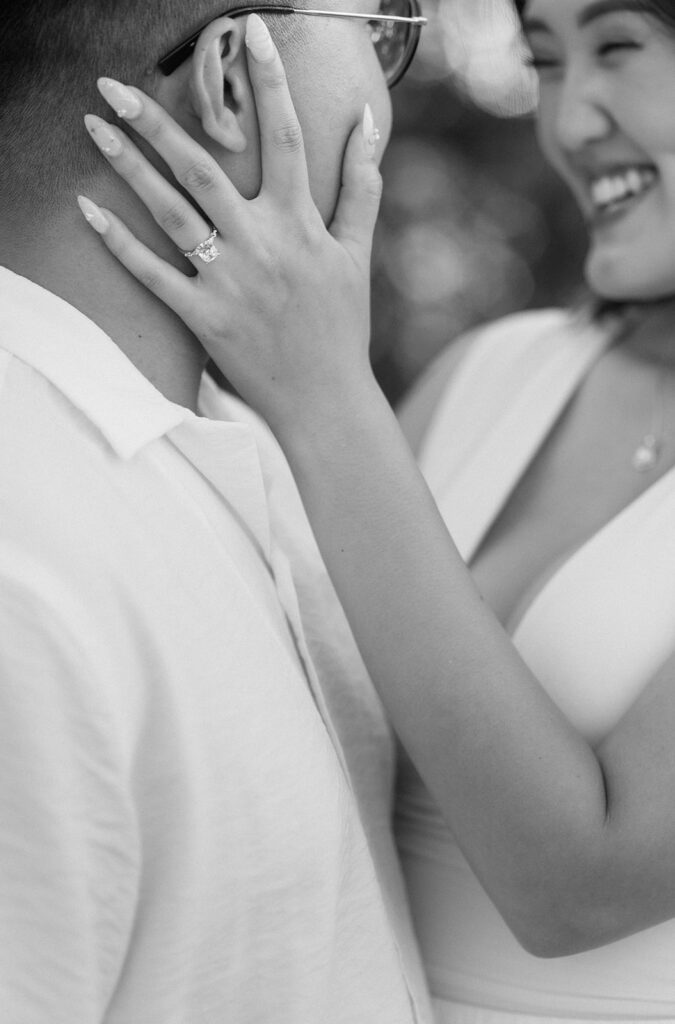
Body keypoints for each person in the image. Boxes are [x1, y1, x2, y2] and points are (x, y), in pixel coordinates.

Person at [85, 0, 675, 1020]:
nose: (570, 122)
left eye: (617, 48)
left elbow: (575, 887)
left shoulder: (349, 414)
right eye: (542, 62)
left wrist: (322, 389)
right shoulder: (494, 369)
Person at [0, 3, 435, 1022]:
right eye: (384, 29)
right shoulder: (19, 566)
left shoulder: (260, 451)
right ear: (234, 78)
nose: (383, 82)